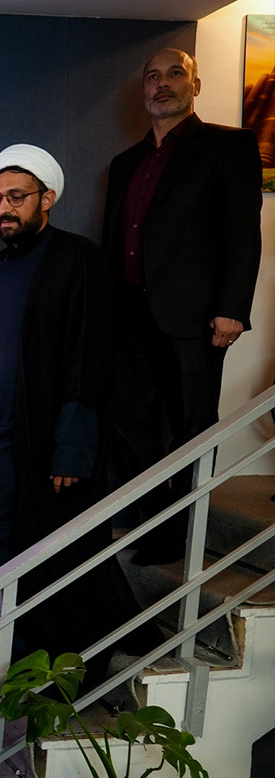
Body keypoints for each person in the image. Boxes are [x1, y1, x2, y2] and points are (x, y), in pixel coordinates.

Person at [0, 144, 149, 685]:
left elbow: (90, 357)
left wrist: (73, 446)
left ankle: (28, 663)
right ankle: (8, 659)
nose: (4, 209)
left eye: (17, 197)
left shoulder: (79, 260)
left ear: (47, 199)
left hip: (34, 439)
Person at [102, 48, 263, 566]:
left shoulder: (228, 145)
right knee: (128, 422)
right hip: (131, 319)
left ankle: (184, 536)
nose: (162, 84)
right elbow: (113, 245)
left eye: (175, 74)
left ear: (195, 85)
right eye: (153, 76)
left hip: (195, 320)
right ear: (143, 90)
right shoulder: (124, 163)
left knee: (192, 427)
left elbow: (243, 232)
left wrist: (232, 307)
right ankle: (160, 525)